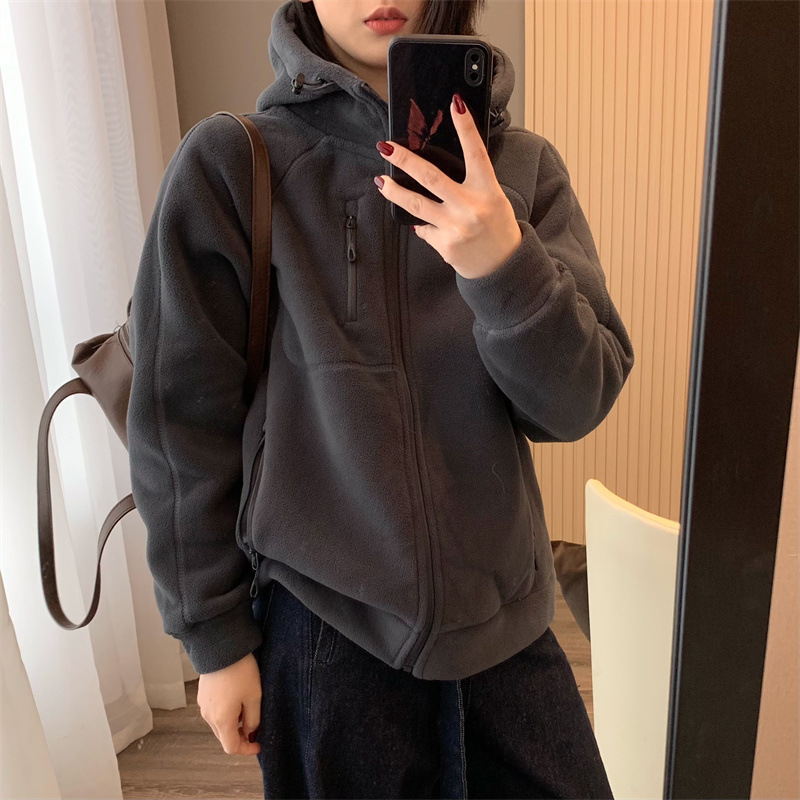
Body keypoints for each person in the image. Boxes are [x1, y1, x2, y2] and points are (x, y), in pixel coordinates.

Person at [126, 0, 635, 796]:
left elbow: (575, 403)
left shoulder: (523, 170)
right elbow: (178, 424)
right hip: (325, 638)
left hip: (507, 628)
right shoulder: (233, 165)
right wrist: (214, 639)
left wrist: (504, 265)